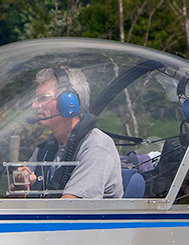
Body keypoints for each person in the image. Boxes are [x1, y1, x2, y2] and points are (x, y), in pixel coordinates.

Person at [12, 67, 122, 199]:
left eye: (42, 98)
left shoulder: (96, 147)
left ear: (69, 103)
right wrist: (20, 189)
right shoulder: (44, 150)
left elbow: (70, 210)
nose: (34, 106)